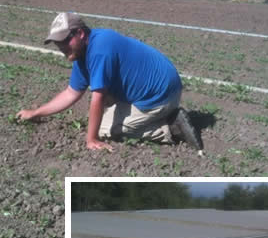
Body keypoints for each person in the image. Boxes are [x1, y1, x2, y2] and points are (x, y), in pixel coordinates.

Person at [16, 12, 201, 152]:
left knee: (104, 128)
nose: (61, 47)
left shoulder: (99, 50)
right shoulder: (84, 52)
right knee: (103, 110)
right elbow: (71, 93)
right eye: (57, 43)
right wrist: (36, 113)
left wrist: (92, 139)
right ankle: (149, 115)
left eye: (64, 41)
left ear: (79, 33)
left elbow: (98, 97)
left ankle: (170, 127)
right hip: (159, 86)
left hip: (161, 95)